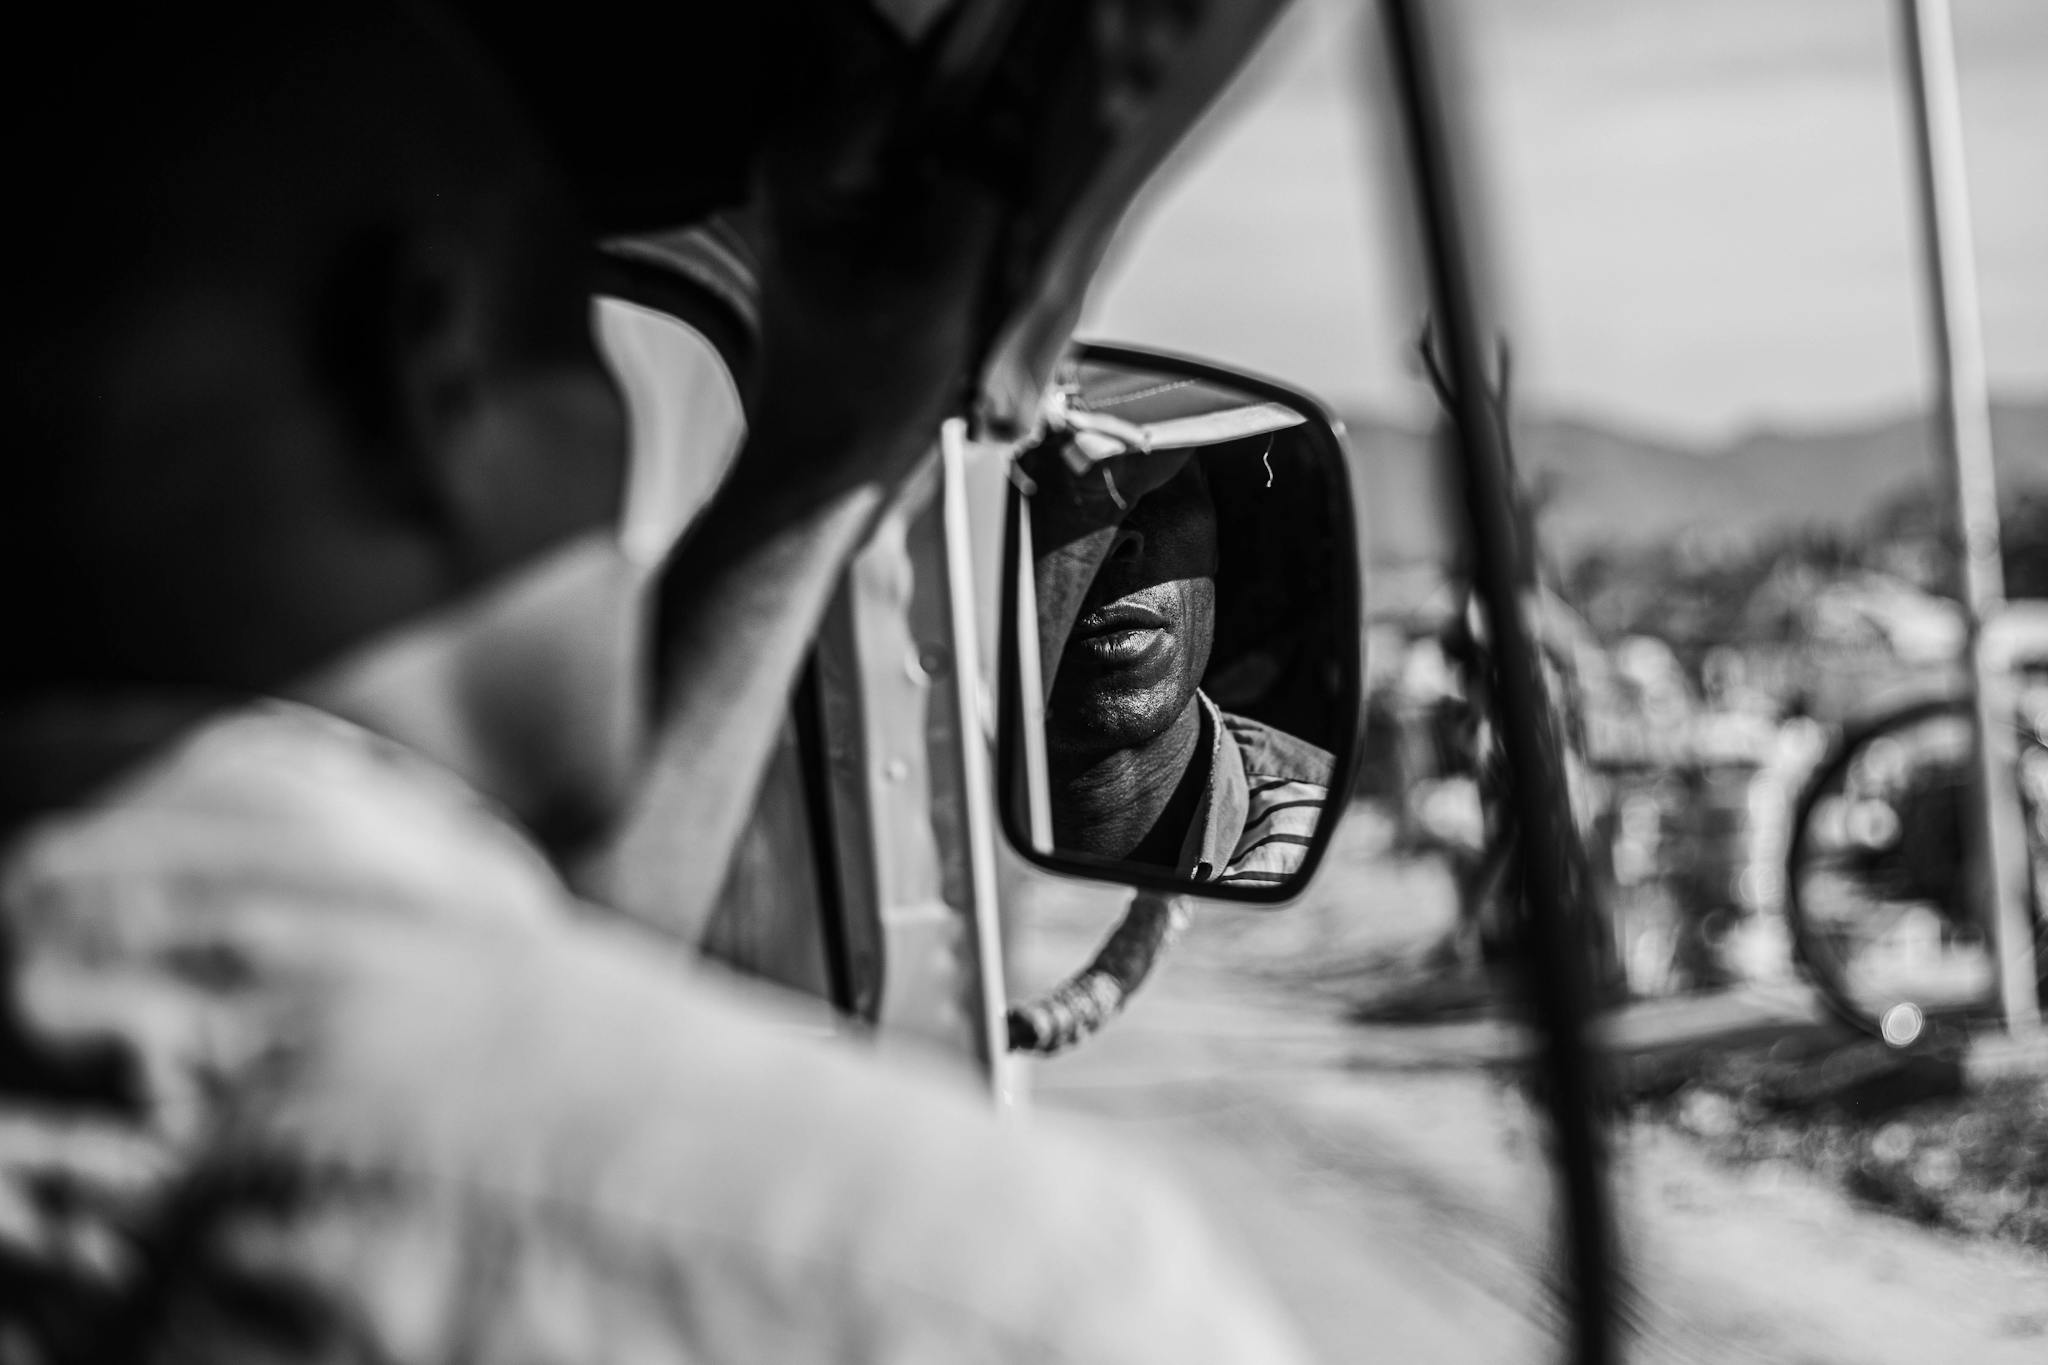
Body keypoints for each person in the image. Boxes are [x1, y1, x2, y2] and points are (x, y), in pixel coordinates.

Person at [0, 5, 1316, 1361]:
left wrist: (828, 446)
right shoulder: (970, 1291)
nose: (626, 510)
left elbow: (505, 1008)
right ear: (433, 357)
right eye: (582, 336)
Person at [1028, 437, 1334, 887]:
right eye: (1052, 507)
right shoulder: (920, 831)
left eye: (1155, 486)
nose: (1114, 540)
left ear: (1216, 537)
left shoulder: (1329, 838)